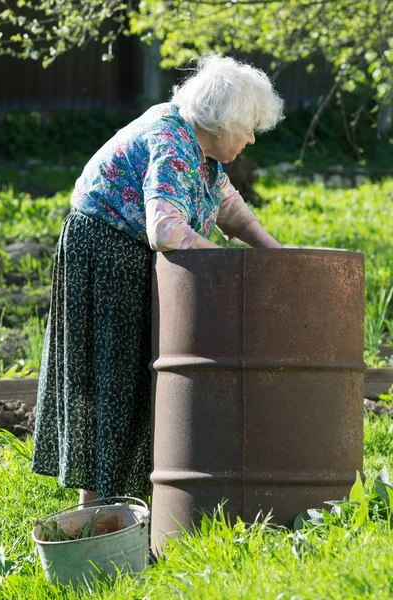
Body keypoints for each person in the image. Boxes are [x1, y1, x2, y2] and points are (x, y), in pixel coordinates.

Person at [31, 54, 284, 506]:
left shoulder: (199, 148)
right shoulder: (170, 140)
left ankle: (132, 503)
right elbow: (165, 230)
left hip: (128, 255)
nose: (250, 138)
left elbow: (231, 210)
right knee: (115, 374)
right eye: (246, 128)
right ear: (221, 121)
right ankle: (99, 509)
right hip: (107, 255)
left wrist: (279, 256)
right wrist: (233, 265)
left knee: (139, 374)